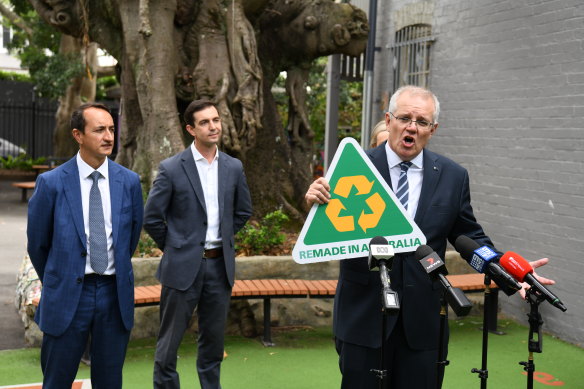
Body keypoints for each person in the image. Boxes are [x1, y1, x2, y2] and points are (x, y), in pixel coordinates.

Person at [305, 85, 555, 388]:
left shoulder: (452, 175)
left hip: (423, 322)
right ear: (389, 120)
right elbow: (328, 231)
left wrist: (508, 272)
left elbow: (468, 237)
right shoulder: (355, 167)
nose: (412, 127)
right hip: (364, 317)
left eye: (421, 122)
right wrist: (316, 203)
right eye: (404, 118)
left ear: (433, 129)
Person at [27, 102, 144, 388]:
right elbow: (38, 245)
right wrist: (61, 279)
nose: (108, 137)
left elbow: (130, 237)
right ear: (78, 135)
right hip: (68, 295)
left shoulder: (128, 181)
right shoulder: (52, 183)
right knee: (57, 380)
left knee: (109, 381)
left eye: (112, 130)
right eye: (100, 130)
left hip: (113, 294)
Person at [144, 99, 253, 389]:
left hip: (220, 267)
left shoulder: (233, 166)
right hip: (181, 268)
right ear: (191, 129)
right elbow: (152, 217)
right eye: (204, 122)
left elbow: (243, 211)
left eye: (216, 119)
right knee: (168, 345)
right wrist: (176, 245)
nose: (213, 126)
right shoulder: (171, 168)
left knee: (213, 344)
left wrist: (226, 239)